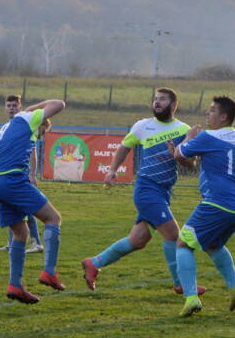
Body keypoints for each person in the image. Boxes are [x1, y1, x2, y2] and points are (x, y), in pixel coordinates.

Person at [81, 88, 204, 295]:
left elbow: (192, 165)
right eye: (155, 99)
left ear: (174, 105)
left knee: (138, 240)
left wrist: (179, 152)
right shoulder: (142, 126)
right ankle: (180, 283)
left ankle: (94, 263)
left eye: (162, 99)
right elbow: (124, 147)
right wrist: (112, 170)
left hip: (163, 192)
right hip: (147, 189)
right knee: (173, 234)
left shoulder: (184, 129)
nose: (157, 102)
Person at [170, 96, 235, 317]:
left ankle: (191, 298)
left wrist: (189, 137)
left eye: (211, 110)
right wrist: (231, 176)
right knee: (213, 245)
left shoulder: (209, 136)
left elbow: (179, 154)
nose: (207, 114)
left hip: (217, 203)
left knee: (183, 244)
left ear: (223, 116)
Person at [0, 98, 67, 303]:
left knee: (20, 232)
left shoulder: (5, 128)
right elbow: (59, 104)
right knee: (53, 218)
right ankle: (49, 272)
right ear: (39, 122)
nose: (39, 136)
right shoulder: (28, 119)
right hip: (11, 179)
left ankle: (15, 285)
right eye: (41, 131)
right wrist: (34, 109)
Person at [0, 94, 45, 254]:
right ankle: (12, 242)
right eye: (8, 106)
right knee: (12, 207)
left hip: (20, 174)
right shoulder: (7, 126)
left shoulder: (25, 124)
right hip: (7, 174)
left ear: (20, 107)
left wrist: (32, 174)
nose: (11, 108)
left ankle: (36, 242)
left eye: (14, 106)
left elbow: (32, 151)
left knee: (26, 208)